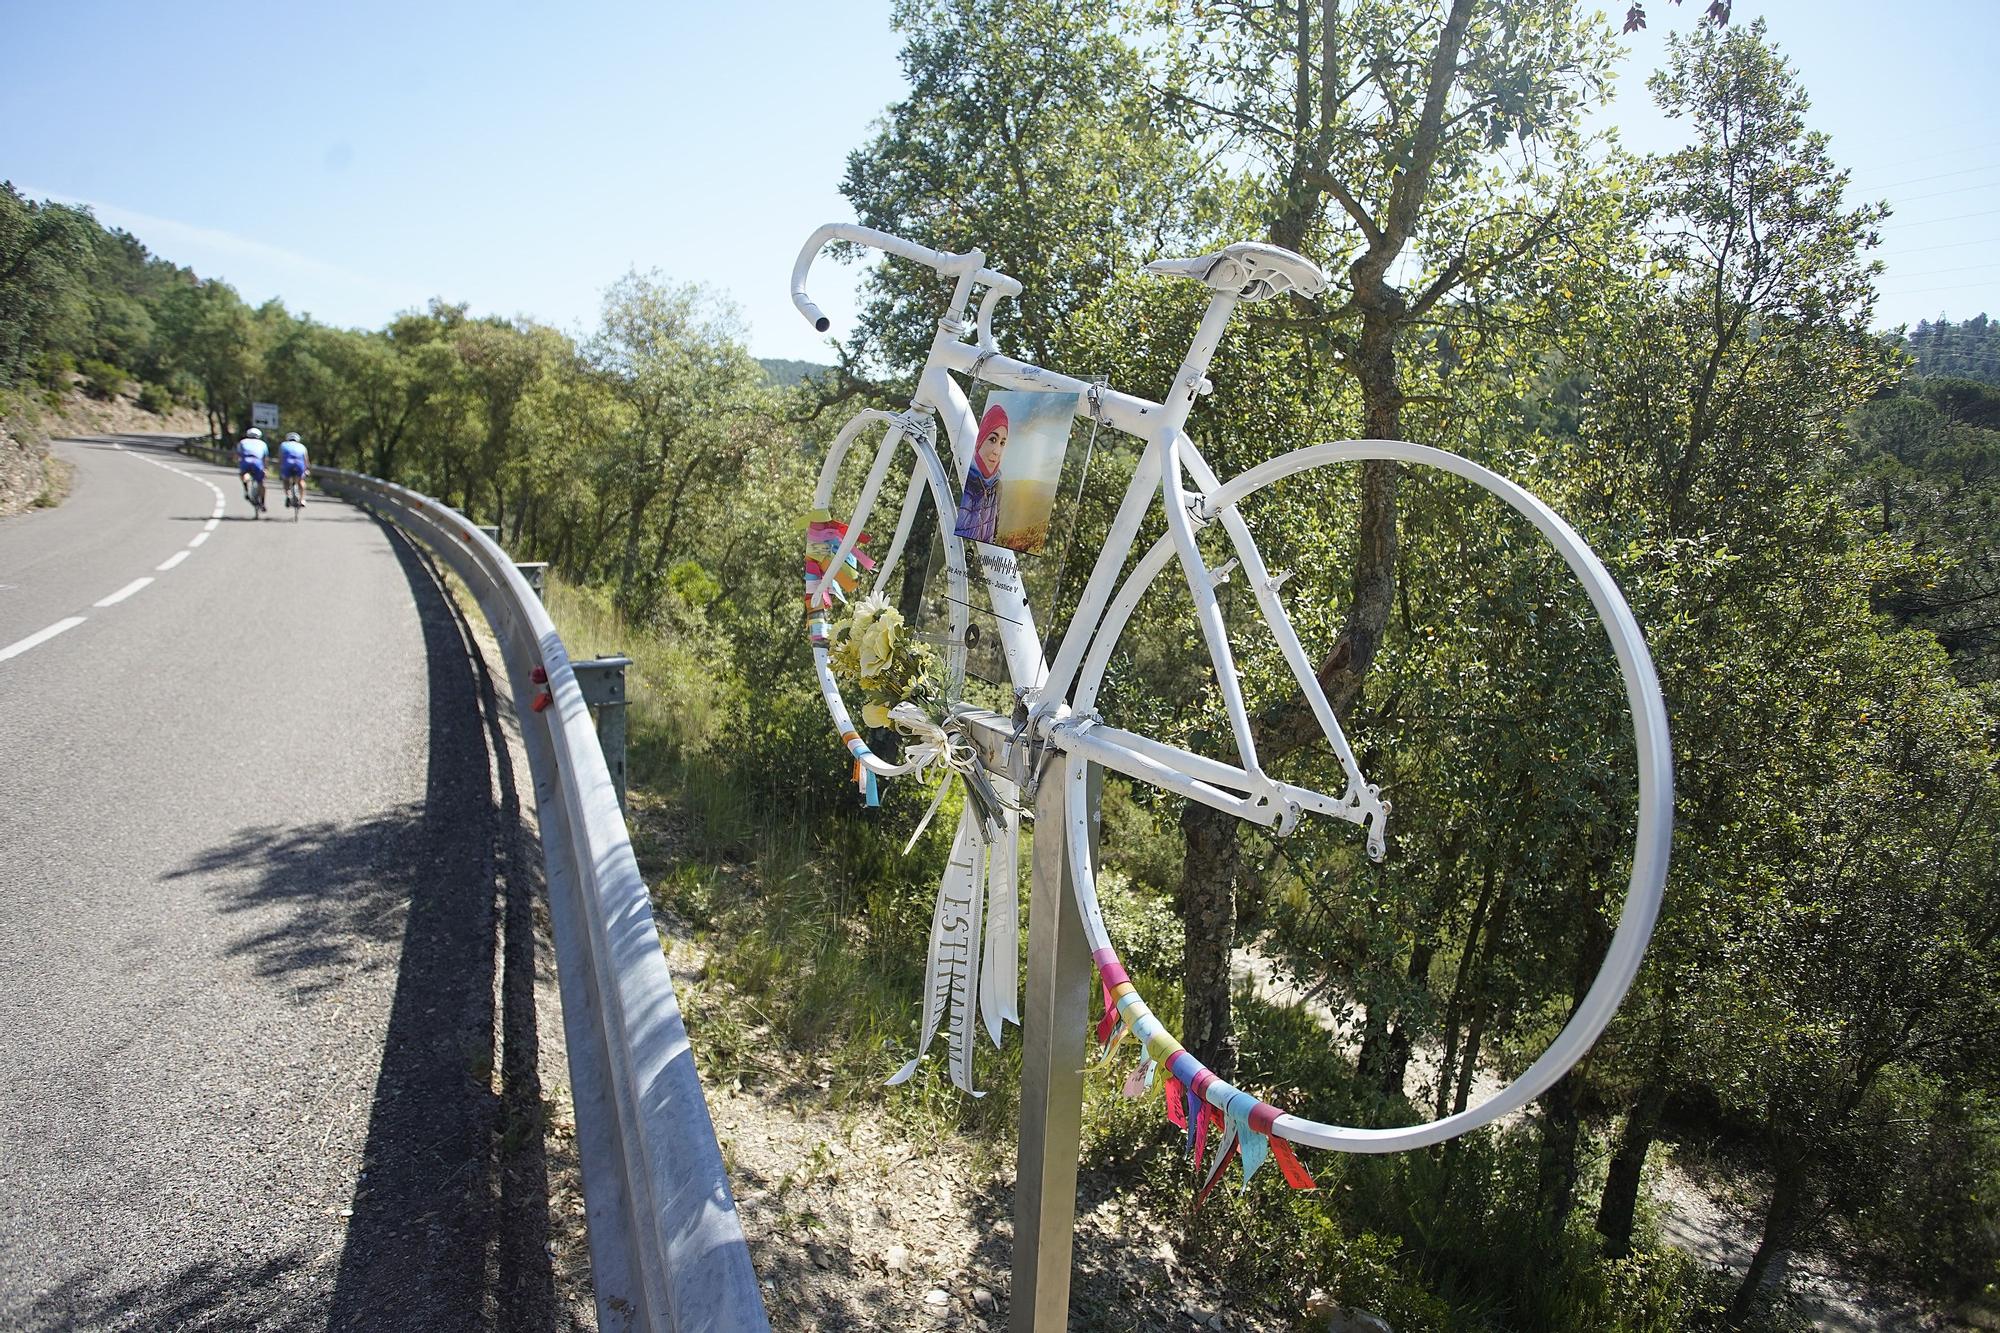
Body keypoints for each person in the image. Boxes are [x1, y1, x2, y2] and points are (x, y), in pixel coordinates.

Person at [954, 403, 1007, 543]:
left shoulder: (997, 486)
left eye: (1002, 443)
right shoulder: (963, 476)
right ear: (981, 439)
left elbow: (995, 535)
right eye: (993, 439)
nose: (997, 451)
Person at [236, 427, 269, 513]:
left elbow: (238, 455)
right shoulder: (263, 443)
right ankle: (262, 503)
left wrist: (240, 464)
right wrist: (265, 469)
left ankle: (246, 490)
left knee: (244, 474)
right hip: (257, 462)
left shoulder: (242, 442)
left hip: (246, 461)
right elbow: (265, 458)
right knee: (261, 482)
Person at [278, 432, 309, 508]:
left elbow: (281, 457)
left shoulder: (283, 445)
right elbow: (306, 460)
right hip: (299, 464)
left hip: (288, 464)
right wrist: (306, 469)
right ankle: (302, 500)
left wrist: (281, 467)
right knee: (301, 481)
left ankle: (288, 495)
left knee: (286, 480)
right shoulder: (302, 446)